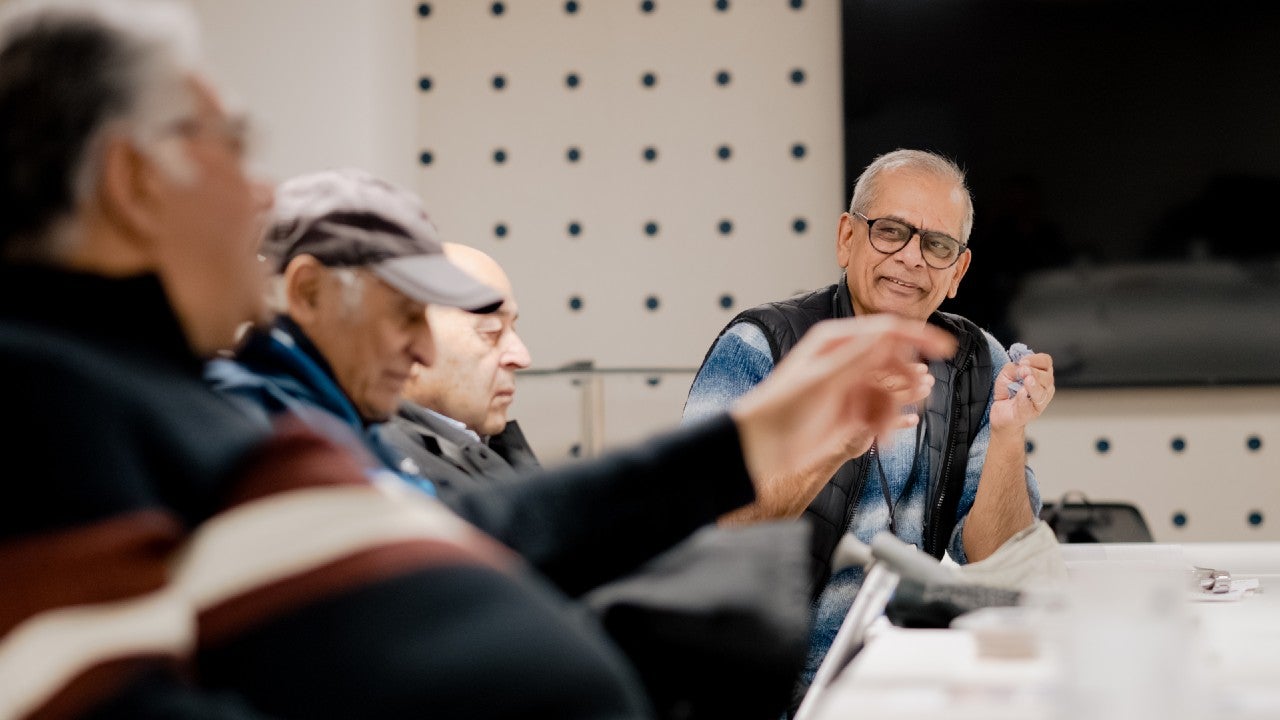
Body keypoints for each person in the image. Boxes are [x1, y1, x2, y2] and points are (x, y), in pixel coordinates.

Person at [0, 2, 956, 716]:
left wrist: (754, 438)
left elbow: (474, 531)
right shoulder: (47, 401)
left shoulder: (149, 400)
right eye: (231, 148)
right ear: (132, 182)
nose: (258, 194)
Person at [684, 148, 1056, 690]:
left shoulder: (980, 363)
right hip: (760, 684)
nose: (911, 258)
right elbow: (700, 529)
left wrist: (1008, 433)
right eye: (890, 231)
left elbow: (996, 560)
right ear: (846, 238)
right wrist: (837, 441)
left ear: (957, 270)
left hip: (905, 678)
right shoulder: (762, 347)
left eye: (937, 245)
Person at [382, 242, 539, 503]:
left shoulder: (474, 447)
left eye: (514, 330)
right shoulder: (389, 474)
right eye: (491, 331)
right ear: (405, 342)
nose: (522, 357)